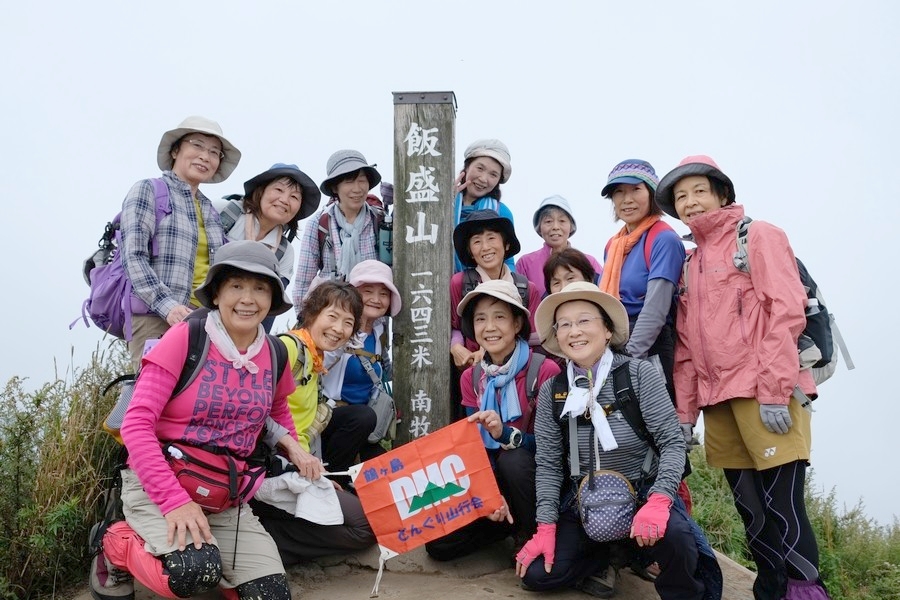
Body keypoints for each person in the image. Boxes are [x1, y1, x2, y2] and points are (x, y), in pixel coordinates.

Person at [89, 240, 304, 600]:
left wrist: (298, 454)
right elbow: (136, 424)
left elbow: (278, 410)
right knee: (193, 572)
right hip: (160, 485)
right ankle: (115, 543)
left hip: (225, 494)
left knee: (270, 594)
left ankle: (211, 558)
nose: (248, 299)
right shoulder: (186, 337)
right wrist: (174, 501)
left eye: (260, 288)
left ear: (272, 299)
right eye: (236, 285)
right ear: (216, 294)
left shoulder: (275, 352)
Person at [656, 155, 829, 600]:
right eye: (681, 196)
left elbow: (786, 312)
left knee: (782, 505)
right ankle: (770, 590)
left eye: (699, 191)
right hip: (718, 401)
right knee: (750, 510)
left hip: (766, 392)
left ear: (722, 194)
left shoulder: (758, 236)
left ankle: (806, 593)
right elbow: (687, 348)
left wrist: (773, 391)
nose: (690, 202)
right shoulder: (690, 262)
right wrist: (684, 415)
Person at [515, 281, 721, 600]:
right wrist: (546, 526)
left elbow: (672, 443)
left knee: (678, 540)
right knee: (538, 574)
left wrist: (659, 500)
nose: (574, 331)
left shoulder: (638, 374)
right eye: (564, 325)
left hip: (643, 494)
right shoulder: (553, 391)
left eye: (584, 320)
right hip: (584, 501)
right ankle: (612, 554)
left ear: (608, 330)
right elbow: (549, 465)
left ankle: (673, 583)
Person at [426, 280, 560, 561]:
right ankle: (506, 524)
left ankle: (532, 532)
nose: (489, 327)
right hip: (493, 480)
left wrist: (506, 435)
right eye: (480, 319)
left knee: (513, 460)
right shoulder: (471, 377)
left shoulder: (544, 370)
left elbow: (553, 449)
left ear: (517, 323)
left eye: (499, 317)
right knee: (438, 546)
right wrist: (488, 494)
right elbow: (473, 447)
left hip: (535, 481)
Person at [251, 280, 377, 564]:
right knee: (364, 527)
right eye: (332, 316)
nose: (338, 329)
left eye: (348, 323)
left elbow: (303, 427)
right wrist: (302, 462)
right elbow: (254, 410)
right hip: (269, 467)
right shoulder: (288, 348)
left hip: (295, 464)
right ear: (311, 313)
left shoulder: (314, 359)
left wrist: (318, 474)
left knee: (360, 416)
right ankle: (266, 542)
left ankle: (267, 537)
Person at [120, 116, 240, 372]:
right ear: (175, 150)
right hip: (155, 316)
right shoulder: (149, 190)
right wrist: (168, 307)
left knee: (194, 394)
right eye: (197, 145)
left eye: (214, 152)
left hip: (204, 323)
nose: (205, 156)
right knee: (153, 389)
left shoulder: (211, 211)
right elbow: (133, 256)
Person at [599, 159, 684, 399]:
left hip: (649, 346)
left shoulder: (664, 239)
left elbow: (656, 309)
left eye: (636, 189)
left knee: (654, 416)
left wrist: (628, 359)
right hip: (614, 343)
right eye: (619, 192)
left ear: (652, 193)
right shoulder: (613, 245)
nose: (627, 199)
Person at [218, 163, 321, 332]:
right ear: (261, 190)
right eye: (278, 190)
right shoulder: (224, 212)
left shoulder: (284, 253)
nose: (284, 200)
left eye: (294, 197)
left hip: (238, 331)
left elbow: (268, 306)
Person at [320, 260, 401, 466]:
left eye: (383, 294)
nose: (376, 299)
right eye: (368, 291)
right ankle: (333, 476)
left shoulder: (379, 334)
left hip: (361, 425)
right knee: (363, 417)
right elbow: (317, 366)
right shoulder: (336, 330)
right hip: (328, 417)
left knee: (388, 466)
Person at [450, 210, 542, 373]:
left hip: (517, 374)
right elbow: (454, 325)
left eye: (491, 238)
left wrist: (489, 351)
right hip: (471, 374)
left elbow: (533, 339)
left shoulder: (527, 289)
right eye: (477, 241)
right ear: (470, 251)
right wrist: (456, 346)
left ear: (506, 244)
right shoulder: (460, 283)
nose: (485, 247)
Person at [292, 149, 383, 307]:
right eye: (349, 181)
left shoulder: (380, 221)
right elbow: (303, 281)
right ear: (335, 187)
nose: (357, 189)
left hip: (373, 313)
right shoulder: (319, 224)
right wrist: (303, 316)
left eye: (362, 180)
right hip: (332, 312)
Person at [516, 195, 602, 296]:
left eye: (562, 221)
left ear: (571, 227)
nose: (555, 227)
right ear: (539, 228)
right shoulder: (525, 263)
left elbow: (604, 293)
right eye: (548, 221)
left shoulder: (589, 261)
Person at [453, 139, 517, 272]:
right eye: (480, 168)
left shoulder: (501, 212)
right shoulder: (440, 204)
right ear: (467, 167)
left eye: (493, 174)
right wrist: (442, 201)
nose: (483, 179)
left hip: (483, 284)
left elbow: (508, 260)